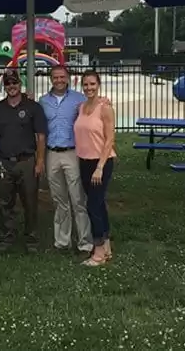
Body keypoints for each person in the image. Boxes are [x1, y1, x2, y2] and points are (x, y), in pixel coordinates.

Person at [0, 69, 48, 253]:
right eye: (8, 83)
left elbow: (41, 136)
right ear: (4, 87)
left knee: (30, 202)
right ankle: (7, 237)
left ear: (20, 84)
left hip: (26, 161)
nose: (11, 86)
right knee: (5, 203)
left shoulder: (33, 107)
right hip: (4, 161)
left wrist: (40, 161)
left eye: (14, 83)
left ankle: (32, 239)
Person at [38, 65, 93, 255]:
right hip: (52, 153)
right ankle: (62, 241)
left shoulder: (79, 99)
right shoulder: (43, 101)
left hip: (72, 152)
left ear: (68, 78)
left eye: (62, 77)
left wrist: (104, 102)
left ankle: (85, 242)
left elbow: (93, 109)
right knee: (59, 199)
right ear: (50, 79)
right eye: (55, 77)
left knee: (78, 199)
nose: (59, 80)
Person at [73, 69, 117, 267]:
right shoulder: (81, 107)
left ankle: (98, 252)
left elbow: (109, 139)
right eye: (86, 84)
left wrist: (100, 167)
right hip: (84, 161)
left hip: (101, 163)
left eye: (92, 84)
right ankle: (106, 246)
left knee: (93, 206)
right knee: (98, 205)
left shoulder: (105, 108)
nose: (89, 87)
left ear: (98, 85)